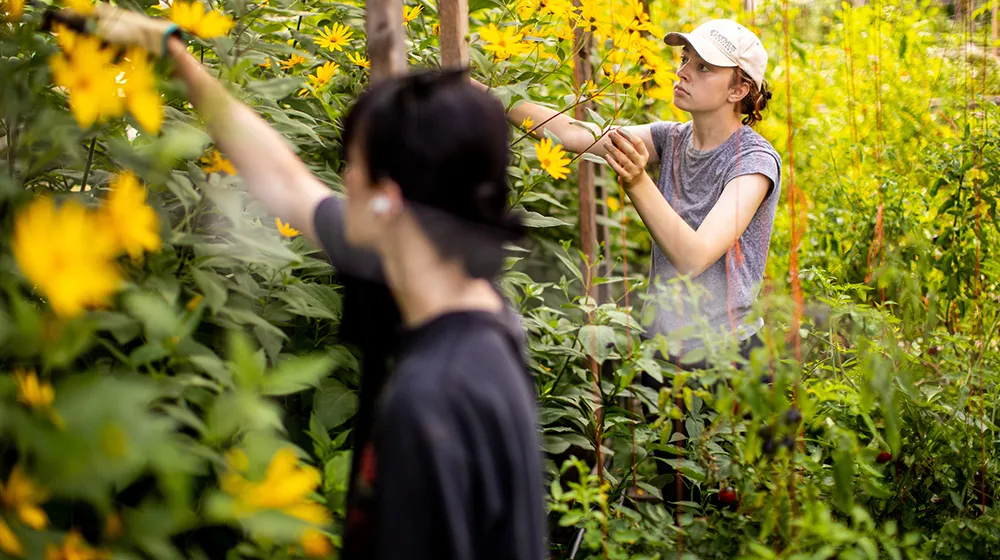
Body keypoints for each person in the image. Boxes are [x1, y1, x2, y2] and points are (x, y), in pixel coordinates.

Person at [52, 5, 547, 559]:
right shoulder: (451, 287)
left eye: (354, 164)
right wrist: (176, 54)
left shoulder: (430, 400)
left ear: (391, 200)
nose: (344, 178)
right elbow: (287, 183)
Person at [474, 19, 782, 498]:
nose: (683, 72)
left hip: (728, 360)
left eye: (703, 67)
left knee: (720, 507)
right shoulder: (670, 139)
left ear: (739, 88)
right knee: (670, 495)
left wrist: (638, 182)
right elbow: (578, 136)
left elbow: (695, 255)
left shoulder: (753, 164)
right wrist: (490, 96)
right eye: (684, 60)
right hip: (666, 350)